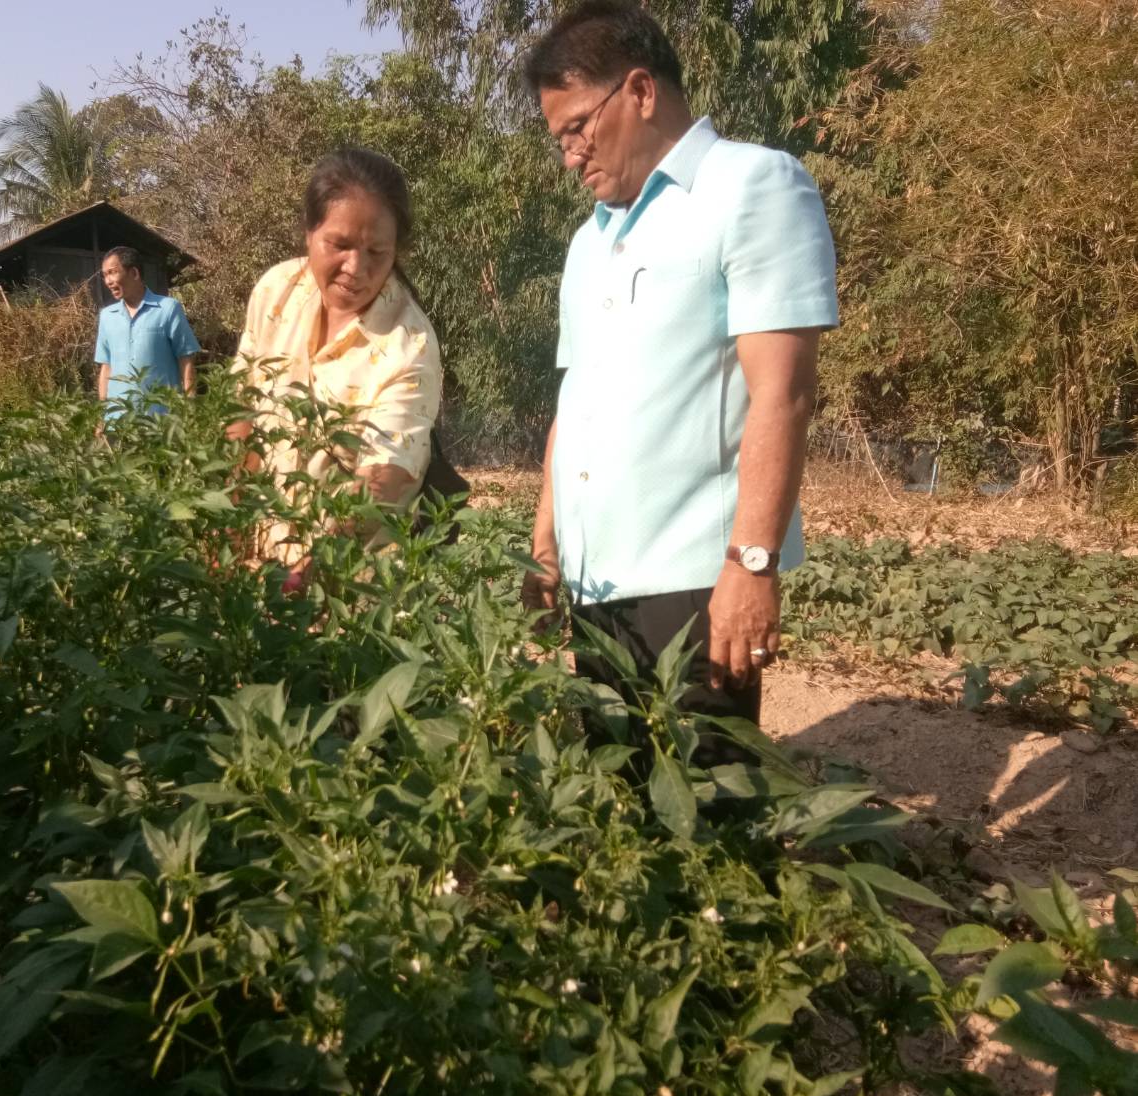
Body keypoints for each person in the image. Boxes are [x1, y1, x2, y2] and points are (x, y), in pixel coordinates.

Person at [518, 1, 838, 752]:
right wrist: (544, 545)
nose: (569, 156)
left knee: (704, 816)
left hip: (693, 580)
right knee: (615, 815)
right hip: (597, 579)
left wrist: (749, 565)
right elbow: (576, 399)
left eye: (576, 129)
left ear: (639, 92)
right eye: (557, 139)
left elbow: (782, 392)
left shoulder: (753, 187)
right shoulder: (588, 242)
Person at [229, 147, 443, 584]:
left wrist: (317, 561)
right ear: (309, 231)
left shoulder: (410, 344)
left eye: (377, 252)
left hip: (351, 580)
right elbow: (242, 411)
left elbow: (388, 473)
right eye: (339, 245)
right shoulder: (276, 292)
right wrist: (226, 517)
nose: (355, 268)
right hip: (254, 564)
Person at [94, 246, 200, 420]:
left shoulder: (168, 309)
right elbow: (106, 367)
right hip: (118, 422)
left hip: (162, 420)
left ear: (134, 273)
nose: (108, 281)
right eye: (105, 275)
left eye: (112, 272)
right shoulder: (107, 316)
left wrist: (190, 409)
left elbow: (186, 359)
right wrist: (101, 416)